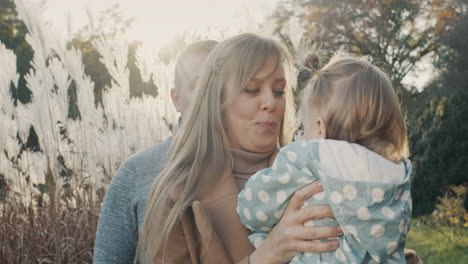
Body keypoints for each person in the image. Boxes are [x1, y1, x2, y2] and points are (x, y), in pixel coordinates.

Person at [136, 33, 345, 264]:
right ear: (217, 99)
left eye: (279, 91)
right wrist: (267, 255)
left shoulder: (319, 172)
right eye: (251, 89)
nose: (271, 102)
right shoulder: (175, 196)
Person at [238, 52, 416, 263]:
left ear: (320, 128)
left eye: (305, 127)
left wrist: (247, 200)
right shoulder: (397, 176)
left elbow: (255, 209)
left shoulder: (308, 158)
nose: (302, 136)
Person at [93, 40, 219, 264]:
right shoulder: (136, 174)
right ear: (176, 100)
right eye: (198, 85)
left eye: (219, 83)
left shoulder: (263, 166)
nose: (209, 95)